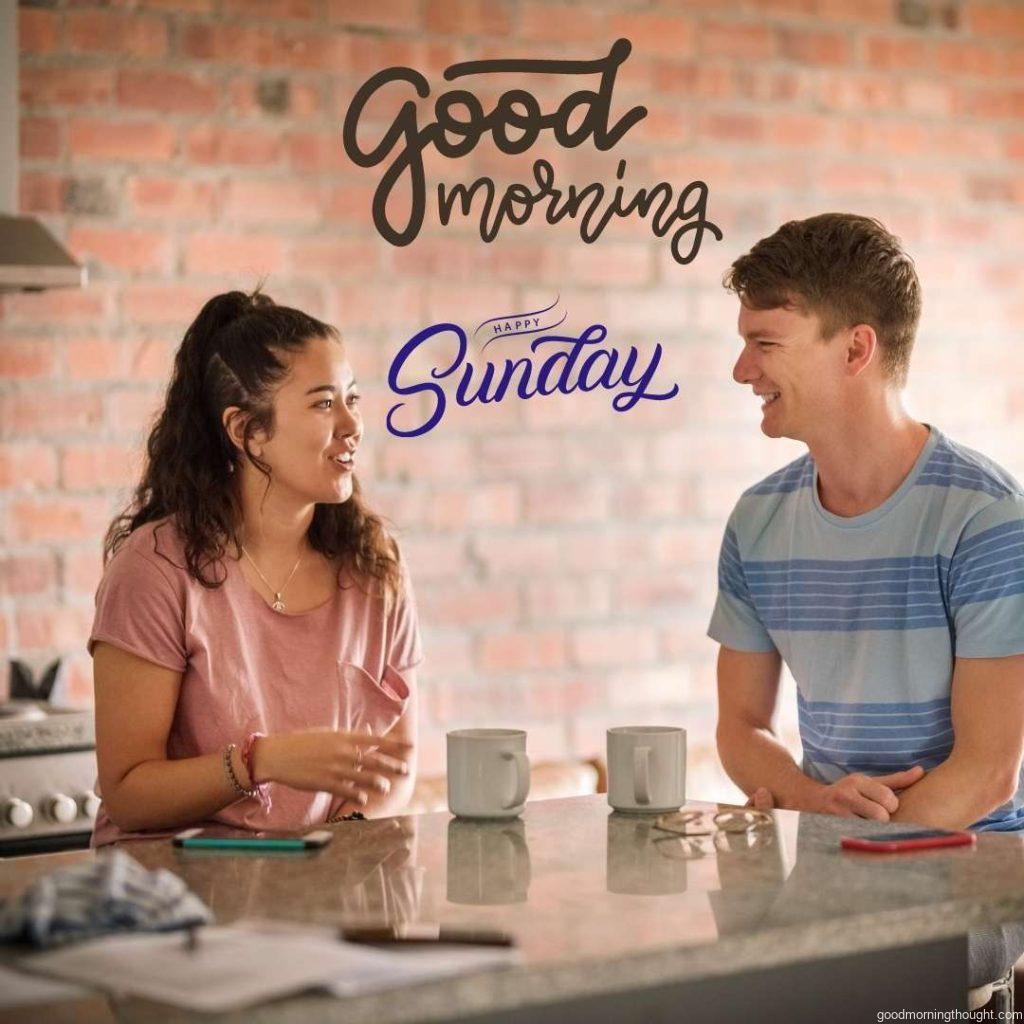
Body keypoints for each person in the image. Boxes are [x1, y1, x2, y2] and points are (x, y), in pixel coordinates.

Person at [709, 213, 1024, 989]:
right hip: (829, 864)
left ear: (855, 348)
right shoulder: (757, 520)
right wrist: (819, 806)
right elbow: (739, 726)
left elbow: (988, 773)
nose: (742, 370)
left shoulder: (985, 520)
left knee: (829, 978)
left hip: (973, 878)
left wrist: (846, 864)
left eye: (766, 343)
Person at [88, 288, 420, 846]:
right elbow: (128, 793)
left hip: (317, 889)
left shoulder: (374, 563)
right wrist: (259, 761)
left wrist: (332, 847)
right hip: (173, 897)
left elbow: (395, 762)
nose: (352, 425)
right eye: (322, 403)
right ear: (247, 432)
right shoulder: (155, 569)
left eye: (353, 399)